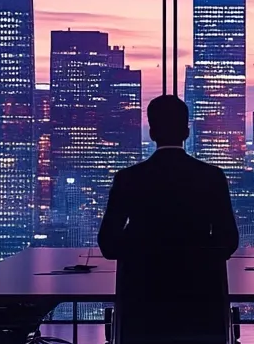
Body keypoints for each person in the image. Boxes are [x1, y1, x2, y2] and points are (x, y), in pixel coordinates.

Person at [97, 94, 239, 263]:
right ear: (186, 133)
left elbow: (108, 244)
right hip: (199, 285)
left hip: (141, 285)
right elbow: (228, 241)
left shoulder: (128, 178)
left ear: (151, 133)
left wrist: (140, 249)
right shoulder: (212, 176)